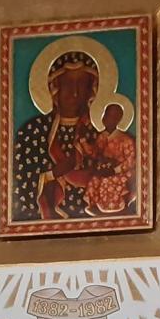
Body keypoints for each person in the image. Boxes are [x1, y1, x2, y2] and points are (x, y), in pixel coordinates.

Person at [11, 50, 100, 223]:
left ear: (91, 91)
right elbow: (20, 183)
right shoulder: (32, 131)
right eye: (68, 84)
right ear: (55, 88)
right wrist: (52, 174)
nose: (75, 93)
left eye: (82, 85)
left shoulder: (97, 135)